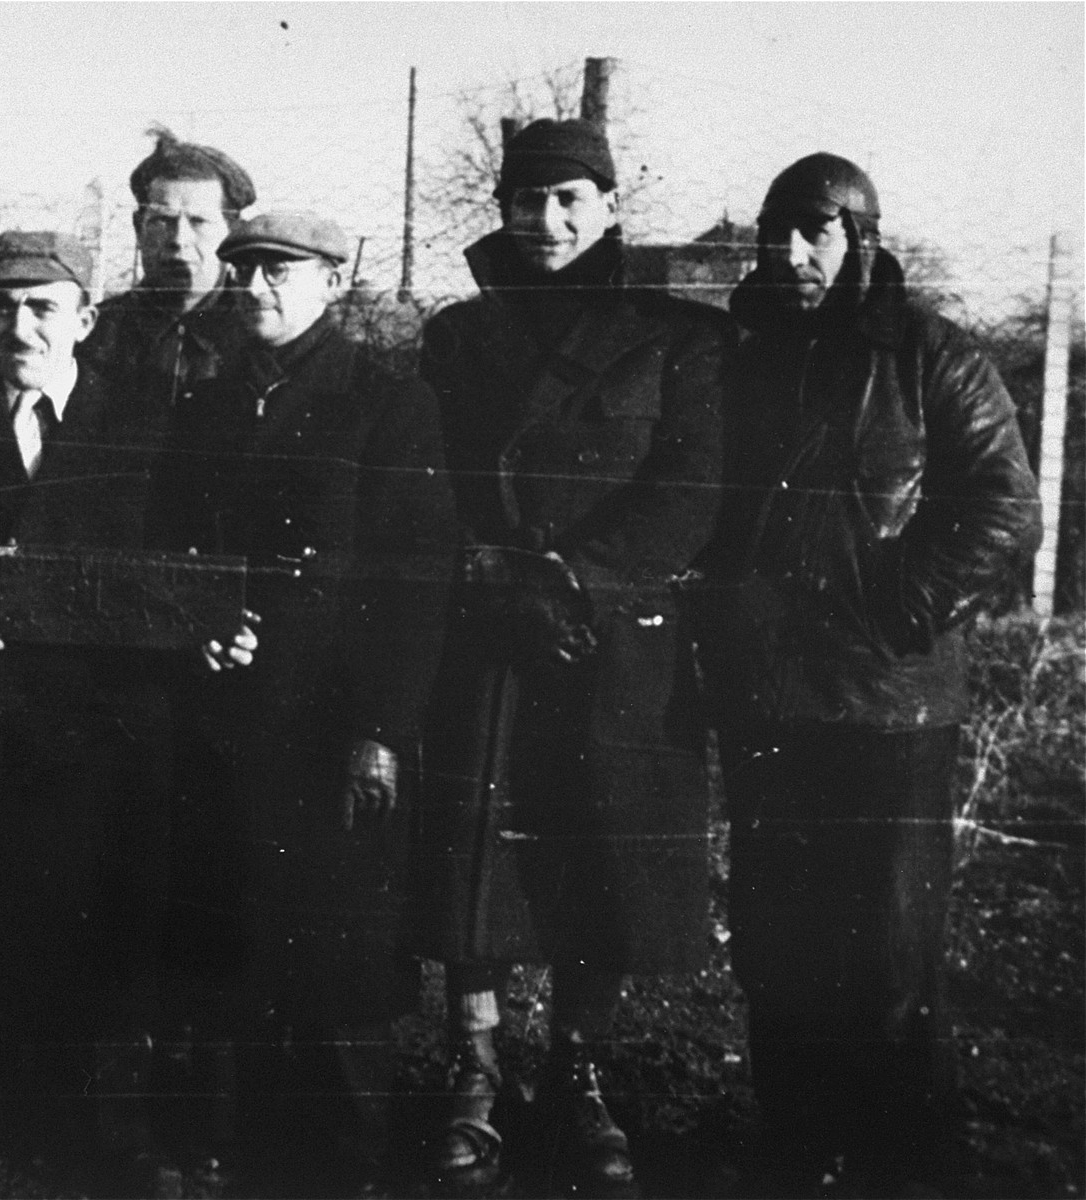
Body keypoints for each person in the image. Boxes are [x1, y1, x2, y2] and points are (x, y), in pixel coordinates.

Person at [699, 153, 1040, 1196]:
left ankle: (907, 1162)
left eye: (817, 230)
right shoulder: (741, 355)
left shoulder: (930, 354)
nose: (791, 253)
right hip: (769, 700)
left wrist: (899, 608)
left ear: (862, 238)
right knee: (777, 946)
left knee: (889, 959)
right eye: (776, 231)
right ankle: (796, 1149)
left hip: (890, 706)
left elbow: (1001, 506)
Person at [413, 118, 730, 1197]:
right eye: (525, 200)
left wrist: (573, 581)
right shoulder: (460, 335)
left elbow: (690, 491)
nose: (545, 222)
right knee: (475, 858)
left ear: (608, 207)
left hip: (610, 637)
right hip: (488, 630)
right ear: (501, 207)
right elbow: (429, 476)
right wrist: (489, 575)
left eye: (568, 201)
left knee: (604, 859)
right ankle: (475, 1065)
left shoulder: (676, 336)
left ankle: (578, 1070)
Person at [151, 210, 456, 1191]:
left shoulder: (387, 402)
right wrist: (195, 625)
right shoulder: (205, 406)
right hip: (224, 715)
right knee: (229, 934)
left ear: (332, 278)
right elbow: (169, 551)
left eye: (280, 270)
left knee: (342, 952)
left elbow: (417, 579)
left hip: (333, 722)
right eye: (242, 270)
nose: (256, 288)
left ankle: (350, 1159)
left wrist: (380, 731)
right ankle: (225, 1148)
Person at [0, 231, 196, 1196]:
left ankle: (108, 1125)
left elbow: (182, 565)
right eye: (0, 306)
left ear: (86, 319)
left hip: (106, 722)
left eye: (41, 307)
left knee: (110, 912)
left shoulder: (147, 424)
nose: (18, 326)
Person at [84, 125, 255, 414]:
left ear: (233, 232)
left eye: (199, 221)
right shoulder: (93, 336)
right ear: (138, 228)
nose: (179, 239)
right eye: (162, 221)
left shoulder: (259, 336)